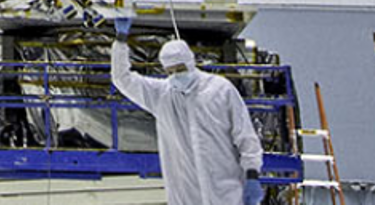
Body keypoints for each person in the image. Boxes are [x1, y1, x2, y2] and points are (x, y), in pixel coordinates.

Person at [111, 14, 265, 205]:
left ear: (190, 62)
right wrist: (121, 40)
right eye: (170, 71)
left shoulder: (220, 90)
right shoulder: (162, 96)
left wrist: (252, 175)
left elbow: (245, 137)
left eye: (180, 68)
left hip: (226, 194)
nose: (176, 75)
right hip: (185, 198)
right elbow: (122, 79)